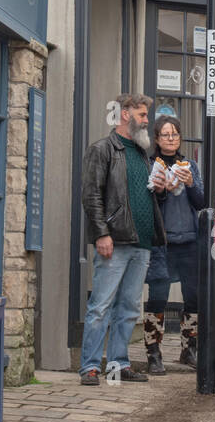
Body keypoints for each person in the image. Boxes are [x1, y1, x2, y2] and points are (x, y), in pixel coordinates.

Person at [79, 94, 166, 386]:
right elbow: (91, 196)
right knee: (101, 306)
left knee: (128, 307)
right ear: (125, 114)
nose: (146, 120)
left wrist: (162, 188)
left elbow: (145, 196)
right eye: (142, 114)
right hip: (114, 241)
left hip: (142, 243)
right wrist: (101, 233)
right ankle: (90, 366)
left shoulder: (143, 154)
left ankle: (118, 364)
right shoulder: (102, 149)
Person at [143, 116, 204, 374]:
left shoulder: (189, 165)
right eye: (165, 135)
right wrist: (162, 190)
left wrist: (189, 183)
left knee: (194, 298)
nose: (171, 139)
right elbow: (146, 204)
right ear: (156, 139)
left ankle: (189, 350)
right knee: (158, 298)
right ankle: (153, 353)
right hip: (162, 242)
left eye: (175, 134)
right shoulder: (149, 164)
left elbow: (201, 202)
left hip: (189, 240)